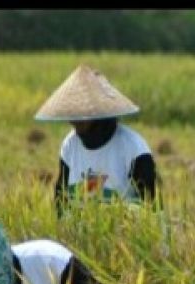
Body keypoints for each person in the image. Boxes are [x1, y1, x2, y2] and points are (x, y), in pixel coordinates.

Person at [34, 64, 158, 212]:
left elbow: (150, 205)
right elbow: (61, 197)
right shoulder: (70, 145)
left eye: (82, 115)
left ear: (101, 115)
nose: (74, 121)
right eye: (73, 114)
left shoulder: (134, 148)